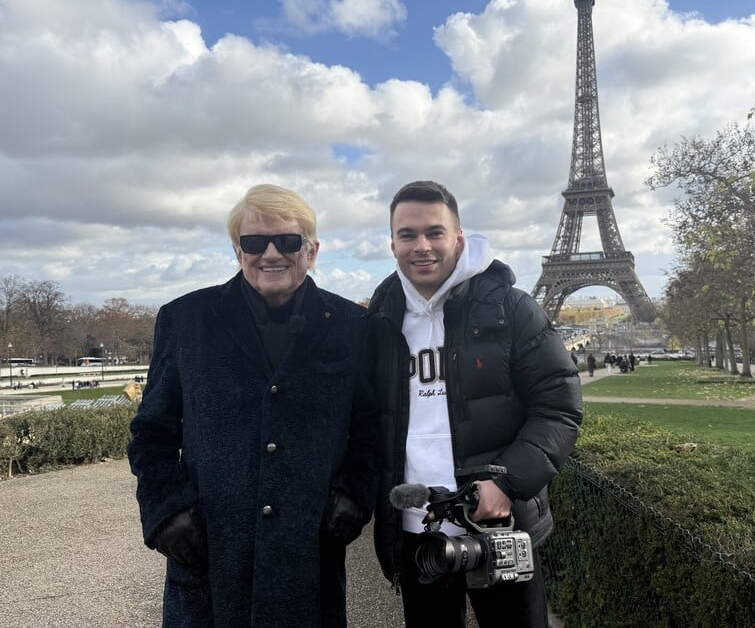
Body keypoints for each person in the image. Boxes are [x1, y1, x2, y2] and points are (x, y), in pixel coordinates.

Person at [127, 184, 378, 626]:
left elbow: (370, 429)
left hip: (307, 557)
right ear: (237, 250)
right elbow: (151, 432)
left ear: (312, 249)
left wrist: (355, 496)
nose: (271, 254)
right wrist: (166, 510)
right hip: (210, 556)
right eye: (255, 242)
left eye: (287, 241)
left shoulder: (353, 328)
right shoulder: (185, 320)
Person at [367, 180, 583, 628]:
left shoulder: (512, 308)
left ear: (459, 238)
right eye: (407, 235)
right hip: (416, 529)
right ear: (392, 244)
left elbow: (558, 407)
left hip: (498, 525)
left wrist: (505, 483)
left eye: (434, 232)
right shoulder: (378, 321)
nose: (421, 246)